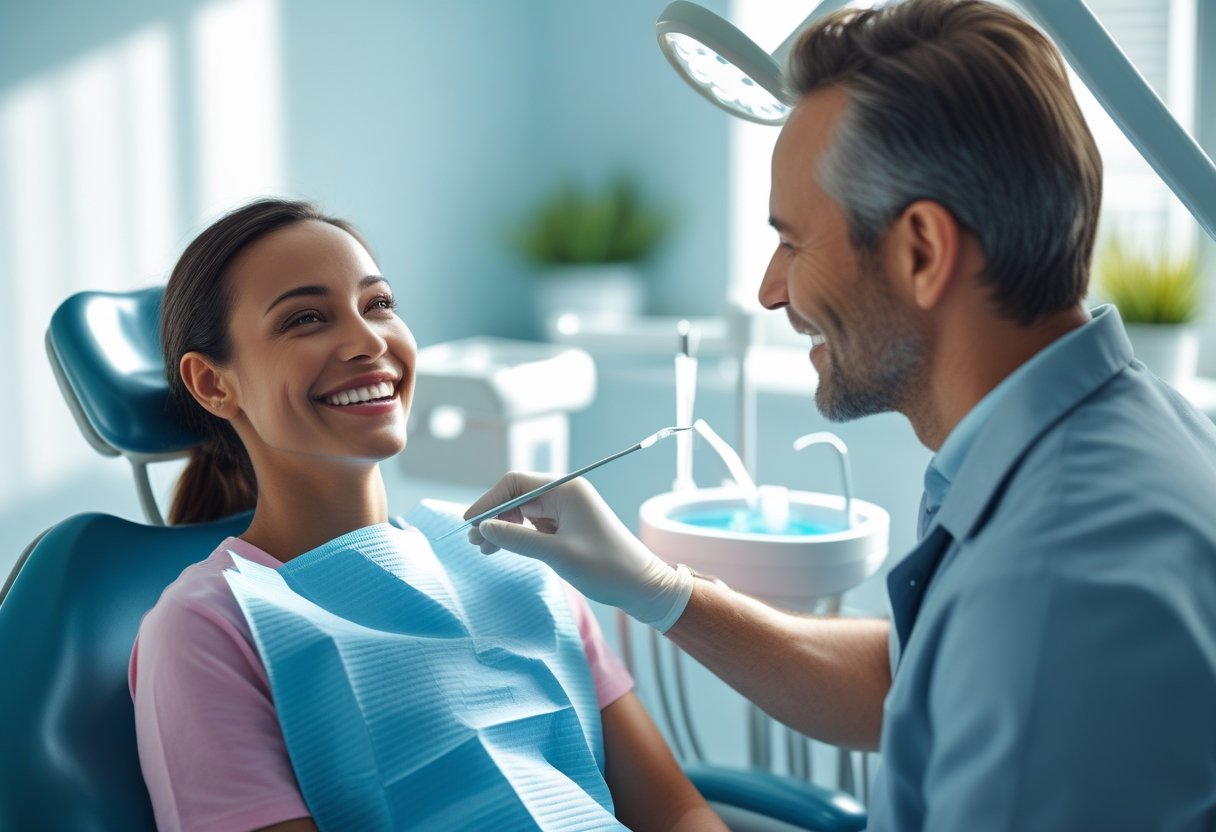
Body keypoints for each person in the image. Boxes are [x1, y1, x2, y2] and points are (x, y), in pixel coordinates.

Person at [465, 0, 1216, 829]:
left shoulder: (1055, 592)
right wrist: (664, 591)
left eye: (793, 241)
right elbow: (910, 681)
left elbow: (1004, 662)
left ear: (921, 253)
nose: (769, 290)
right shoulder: (1094, 438)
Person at [129, 198, 727, 832]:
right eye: (306, 319)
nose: (367, 340)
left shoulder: (516, 550)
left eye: (379, 304)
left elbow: (676, 811)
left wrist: (660, 587)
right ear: (213, 384)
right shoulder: (208, 628)